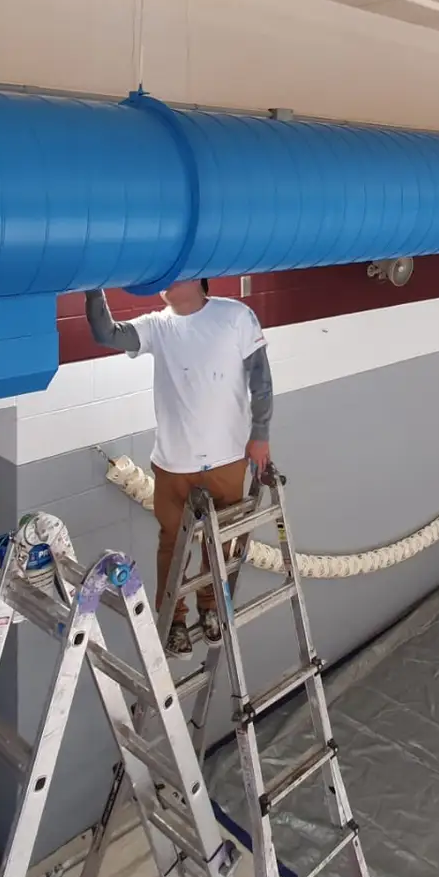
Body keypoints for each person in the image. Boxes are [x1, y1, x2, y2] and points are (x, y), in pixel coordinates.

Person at [85, 279, 273, 654]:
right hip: (173, 462)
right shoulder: (157, 326)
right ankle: (173, 619)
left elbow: (261, 380)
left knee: (223, 541)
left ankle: (209, 608)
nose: (163, 283)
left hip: (228, 456)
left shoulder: (235, 316)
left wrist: (260, 434)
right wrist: (94, 287)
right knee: (172, 544)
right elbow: (107, 334)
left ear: (198, 279)